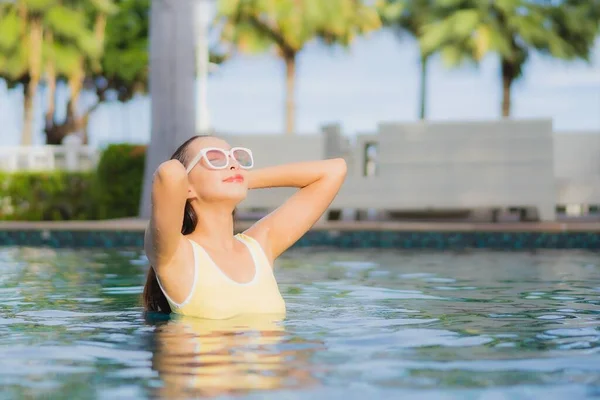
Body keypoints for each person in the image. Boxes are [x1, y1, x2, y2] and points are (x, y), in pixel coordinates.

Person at [142, 135, 347, 319]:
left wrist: (241, 178)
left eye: (235, 158)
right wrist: (229, 178)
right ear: (187, 187)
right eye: (215, 159)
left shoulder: (259, 246)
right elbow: (170, 173)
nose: (233, 164)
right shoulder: (175, 255)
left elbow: (334, 170)